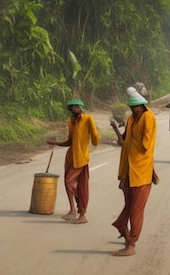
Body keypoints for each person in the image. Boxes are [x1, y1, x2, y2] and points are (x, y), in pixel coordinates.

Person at [111, 87, 157, 257]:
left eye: (135, 108)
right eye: (131, 108)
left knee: (136, 210)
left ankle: (132, 244)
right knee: (129, 206)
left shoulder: (148, 118)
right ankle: (125, 232)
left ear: (142, 106)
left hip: (142, 172)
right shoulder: (132, 119)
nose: (133, 111)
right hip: (129, 171)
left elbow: (145, 146)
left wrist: (131, 140)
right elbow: (125, 142)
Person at [46, 99, 101, 224]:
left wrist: (95, 142)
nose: (72, 110)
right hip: (70, 157)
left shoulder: (88, 118)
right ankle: (72, 210)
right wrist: (56, 143)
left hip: (81, 158)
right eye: (71, 108)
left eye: (74, 107)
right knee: (68, 183)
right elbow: (70, 141)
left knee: (70, 182)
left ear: (80, 107)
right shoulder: (71, 122)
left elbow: (95, 136)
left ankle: (81, 212)